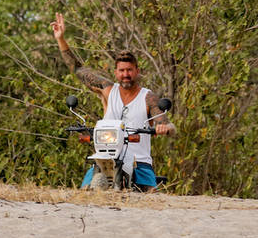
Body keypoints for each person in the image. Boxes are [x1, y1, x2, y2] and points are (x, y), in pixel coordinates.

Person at [50, 12, 176, 191]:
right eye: (122, 70)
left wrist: (164, 128)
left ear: (137, 71)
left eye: (130, 70)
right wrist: (61, 39)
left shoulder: (148, 97)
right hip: (106, 156)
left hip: (137, 161)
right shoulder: (108, 90)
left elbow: (167, 123)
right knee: (83, 192)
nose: (126, 74)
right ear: (116, 72)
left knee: (151, 197)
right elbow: (78, 69)